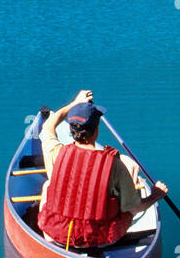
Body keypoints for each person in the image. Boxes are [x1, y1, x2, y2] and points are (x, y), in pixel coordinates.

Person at [38, 90, 168, 249]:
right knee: (129, 198)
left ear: (71, 130)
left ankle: (50, 244)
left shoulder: (56, 153)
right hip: (102, 239)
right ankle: (128, 191)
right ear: (97, 128)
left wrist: (75, 103)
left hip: (58, 235)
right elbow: (135, 208)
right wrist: (155, 195)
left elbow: (49, 125)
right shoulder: (114, 164)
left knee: (47, 186)